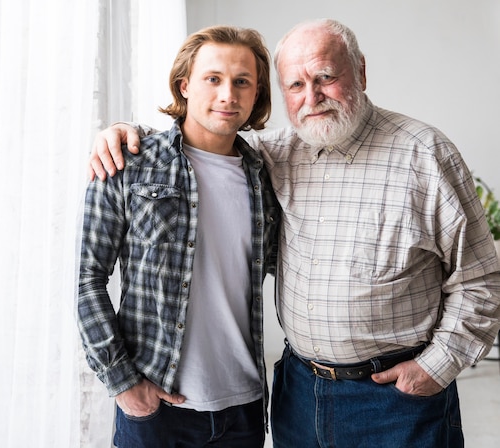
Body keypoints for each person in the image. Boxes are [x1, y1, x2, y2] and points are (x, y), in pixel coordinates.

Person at [87, 18, 500, 448]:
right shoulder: (278, 156)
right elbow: (202, 144)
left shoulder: (425, 154)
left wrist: (436, 366)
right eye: (296, 85)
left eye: (326, 76)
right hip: (300, 396)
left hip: (394, 403)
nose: (313, 96)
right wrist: (125, 134)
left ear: (360, 71)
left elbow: (481, 278)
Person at [77, 25, 280, 448]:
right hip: (156, 410)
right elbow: (88, 280)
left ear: (256, 93)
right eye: (213, 79)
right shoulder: (128, 164)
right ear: (184, 85)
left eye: (242, 82)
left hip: (243, 409)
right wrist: (120, 381)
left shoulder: (267, 176)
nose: (228, 94)